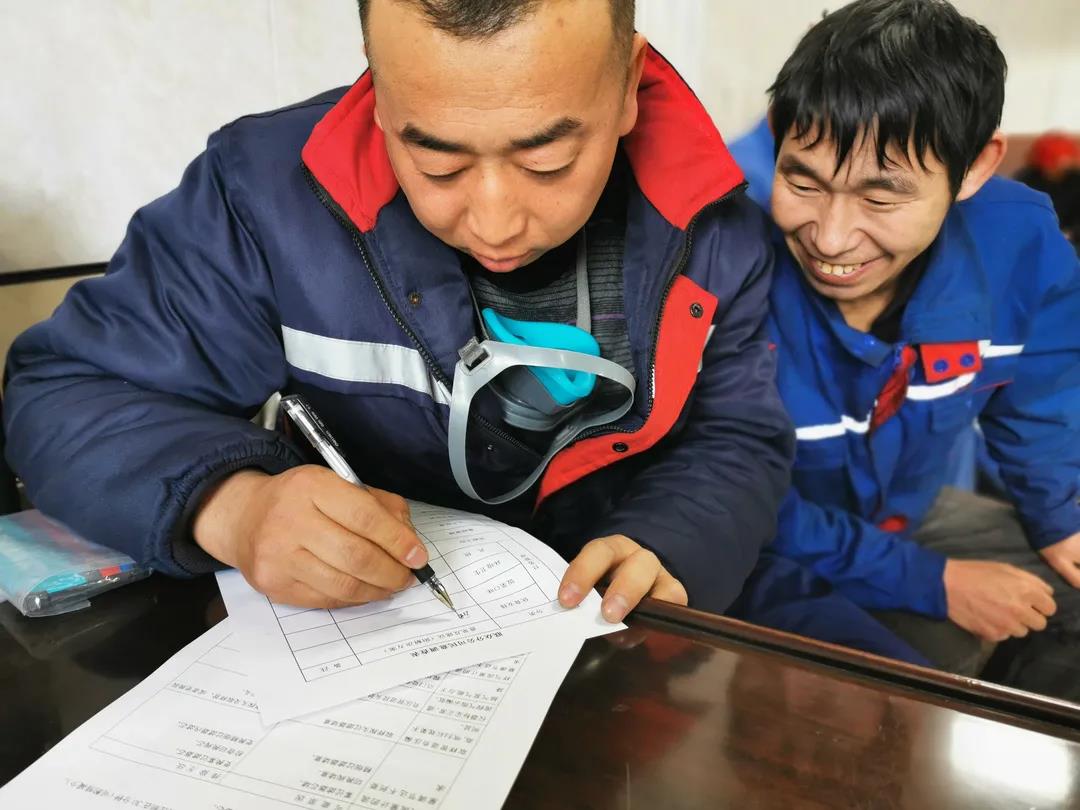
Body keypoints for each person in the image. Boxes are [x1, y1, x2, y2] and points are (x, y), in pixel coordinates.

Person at [3, 0, 794, 624]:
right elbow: (63, 395)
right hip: (370, 634)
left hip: (606, 656)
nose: (494, 221)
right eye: (437, 162)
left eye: (548, 161)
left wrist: (671, 544)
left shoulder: (713, 229)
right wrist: (233, 507)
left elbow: (737, 435)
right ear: (377, 89)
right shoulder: (261, 200)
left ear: (627, 84)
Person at [730, 0, 1080, 698]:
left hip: (911, 515)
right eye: (803, 181)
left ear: (974, 168)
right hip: (769, 548)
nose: (831, 238)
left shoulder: (1021, 244)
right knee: (905, 699)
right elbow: (725, 493)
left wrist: (1062, 516)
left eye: (881, 198)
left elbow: (1040, 400)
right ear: (777, 132)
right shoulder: (722, 254)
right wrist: (932, 582)